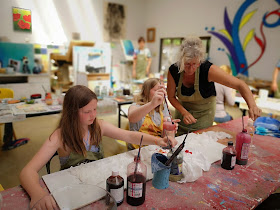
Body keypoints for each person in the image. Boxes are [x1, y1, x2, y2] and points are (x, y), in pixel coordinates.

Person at [19, 85, 177, 209]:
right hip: (74, 190)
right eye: (87, 111)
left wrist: (158, 141)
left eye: (95, 109)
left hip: (99, 185)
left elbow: (129, 135)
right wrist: (38, 194)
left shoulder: (98, 126)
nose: (93, 115)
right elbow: (27, 171)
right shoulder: (60, 136)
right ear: (72, 113)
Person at [167, 35, 261, 135]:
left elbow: (240, 85)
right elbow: (171, 96)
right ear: (181, 60)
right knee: (178, 140)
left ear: (200, 61)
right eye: (187, 64)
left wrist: (252, 106)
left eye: (194, 64)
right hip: (182, 114)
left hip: (204, 115)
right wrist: (184, 112)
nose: (190, 68)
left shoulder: (208, 70)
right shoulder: (173, 70)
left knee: (200, 140)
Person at [128, 78, 180, 149]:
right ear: (146, 92)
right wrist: (152, 104)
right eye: (156, 90)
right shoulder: (135, 106)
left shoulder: (163, 108)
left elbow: (165, 137)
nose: (160, 93)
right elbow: (132, 118)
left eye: (162, 90)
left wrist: (170, 130)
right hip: (138, 148)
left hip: (156, 147)